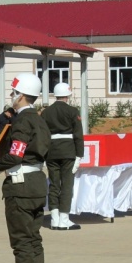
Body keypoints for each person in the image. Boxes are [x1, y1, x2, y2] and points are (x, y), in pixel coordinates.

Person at [0, 73, 51, 263]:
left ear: (21, 96)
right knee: (34, 238)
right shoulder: (40, 120)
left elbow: (15, 156)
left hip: (21, 186)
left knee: (21, 240)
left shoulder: (21, 121)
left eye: (14, 92)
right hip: (37, 182)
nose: (11, 96)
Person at [41, 83, 84, 230]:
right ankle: (64, 218)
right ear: (68, 95)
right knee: (66, 185)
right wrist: (79, 155)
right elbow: (78, 135)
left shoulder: (46, 112)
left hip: (51, 152)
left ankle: (54, 218)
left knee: (53, 185)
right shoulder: (72, 111)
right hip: (68, 151)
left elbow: (43, 135)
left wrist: (43, 154)